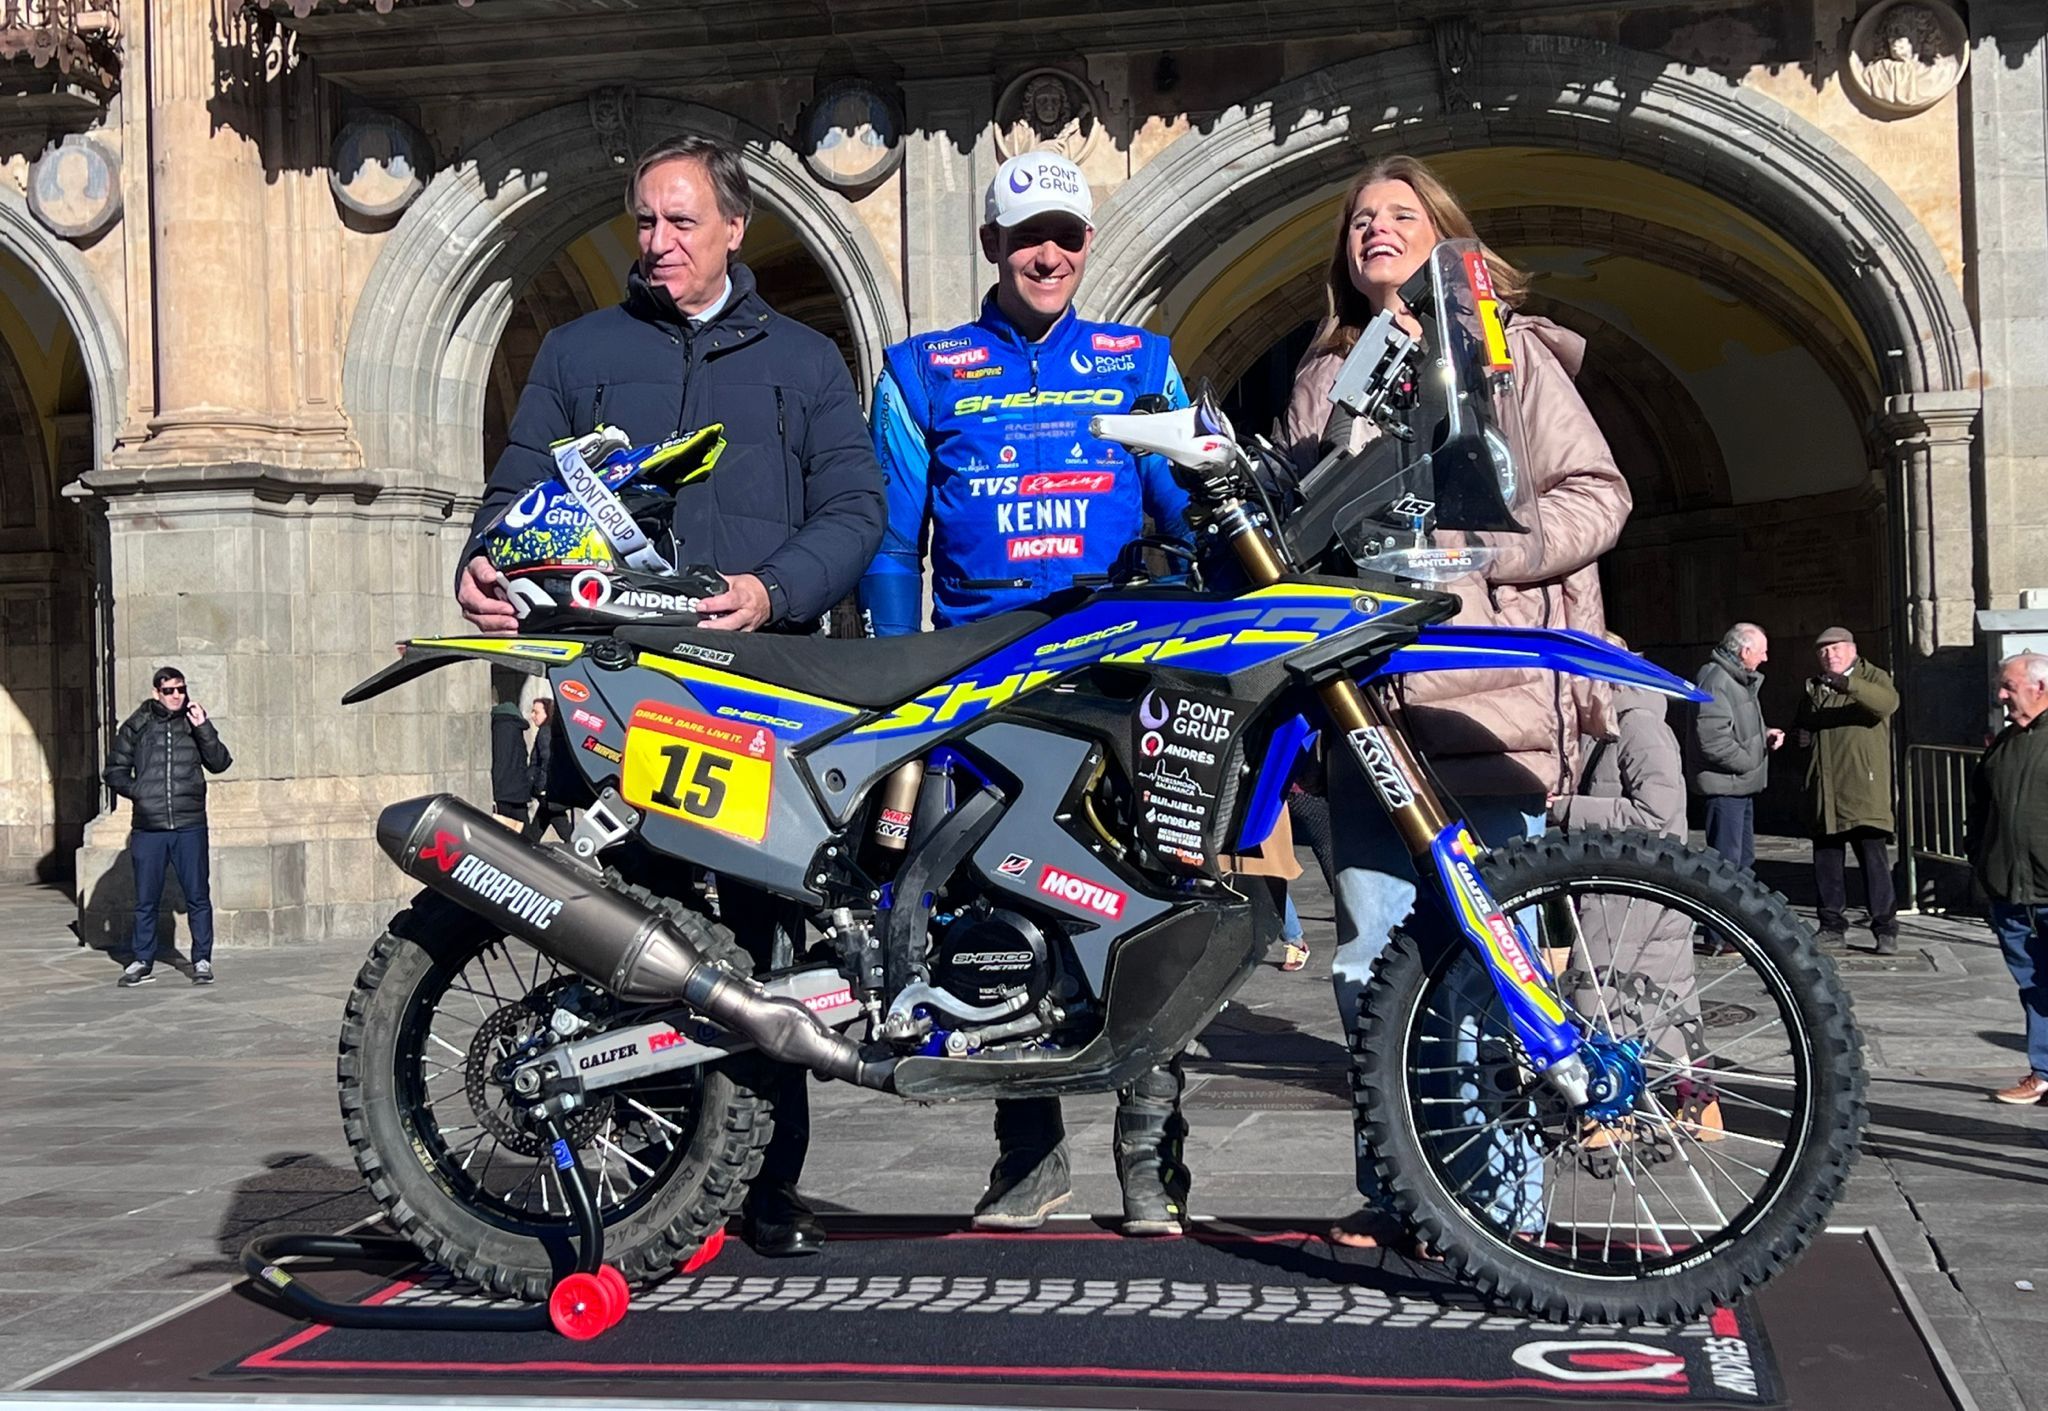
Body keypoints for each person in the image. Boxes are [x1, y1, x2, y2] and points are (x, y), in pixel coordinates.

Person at [455, 133, 886, 1258]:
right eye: (644, 220)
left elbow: (853, 510)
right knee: (630, 935)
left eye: (682, 220)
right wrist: (486, 557)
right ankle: (658, 1180)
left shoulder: (802, 359)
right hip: (616, 691)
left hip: (756, 697)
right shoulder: (579, 347)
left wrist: (770, 585)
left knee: (756, 946)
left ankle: (765, 1182)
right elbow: (516, 488)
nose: (657, 242)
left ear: (736, 227)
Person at [858, 149, 1242, 1238]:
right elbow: (893, 543)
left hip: (1122, 674)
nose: (1048, 254)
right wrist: (902, 676)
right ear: (990, 245)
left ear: (1085, 247)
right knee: (995, 911)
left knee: (1151, 902)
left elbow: (1190, 516)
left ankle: (1147, 1160)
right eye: (1027, 236)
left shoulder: (1141, 360)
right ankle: (1027, 1160)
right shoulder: (920, 368)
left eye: (1066, 236)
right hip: (977, 679)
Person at [1280, 155, 1632, 1249]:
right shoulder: (1326, 369)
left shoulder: (1507, 353)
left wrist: (1491, 551)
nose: (1373, 231)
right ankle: (1402, 1197)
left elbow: (1596, 493)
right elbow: (1292, 528)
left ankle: (1503, 1211)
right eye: (1357, 222)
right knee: (1369, 964)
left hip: (1489, 700)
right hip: (1365, 707)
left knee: (1491, 968)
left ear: (1445, 237)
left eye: (1397, 215)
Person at [1551, 657, 1720, 1140]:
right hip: (1627, 889)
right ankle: (1700, 1111)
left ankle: (1609, 1117)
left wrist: (1564, 810)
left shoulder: (1638, 727)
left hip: (1633, 896)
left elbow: (1657, 812)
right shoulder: (1615, 728)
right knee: (1663, 1005)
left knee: (1600, 997)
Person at [103, 667, 233, 988]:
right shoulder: (137, 725)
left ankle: (201, 959)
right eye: (169, 690)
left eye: (181, 689)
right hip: (150, 827)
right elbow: (113, 770)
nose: (177, 696)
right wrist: (139, 792)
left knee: (198, 896)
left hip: (189, 825)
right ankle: (142, 960)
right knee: (146, 899)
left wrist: (203, 726)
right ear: (156, 692)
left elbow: (220, 762)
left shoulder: (194, 723)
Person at [1966, 652, 2048, 1105]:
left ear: (2039, 688)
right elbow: (1979, 806)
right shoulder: (2004, 743)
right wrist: (1979, 858)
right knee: (2034, 985)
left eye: (2008, 687)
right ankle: (2043, 1072)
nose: (2000, 695)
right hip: (2011, 892)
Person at [1794, 627, 1899, 954]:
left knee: (1873, 862)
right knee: (1826, 864)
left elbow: (1886, 703)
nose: (1830, 655)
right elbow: (1803, 722)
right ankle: (1831, 927)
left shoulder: (1873, 678)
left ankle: (1885, 929)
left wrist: (1848, 684)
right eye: (1823, 651)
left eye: (1836, 649)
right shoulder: (1814, 687)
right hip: (1826, 792)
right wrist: (1801, 735)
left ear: (1853, 650)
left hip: (1862, 790)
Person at [1689, 622, 1784, 871]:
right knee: (1726, 864)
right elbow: (1713, 741)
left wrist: (1764, 735)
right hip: (1726, 786)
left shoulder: (1737, 680)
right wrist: (1749, 761)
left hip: (1739, 785)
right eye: (1762, 651)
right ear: (1744, 651)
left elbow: (1736, 727)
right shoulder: (1716, 680)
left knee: (1742, 862)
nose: (1766, 658)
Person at [489, 700, 532, 825]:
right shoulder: (516, 729)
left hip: (502, 790)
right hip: (519, 790)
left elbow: (499, 760)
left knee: (503, 832)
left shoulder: (498, 728)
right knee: (524, 830)